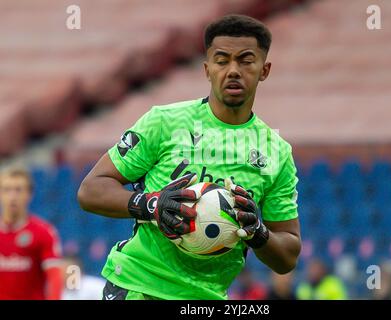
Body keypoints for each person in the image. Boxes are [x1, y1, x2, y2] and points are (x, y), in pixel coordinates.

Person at [78, 14, 301, 300]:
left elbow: (288, 255)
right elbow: (91, 190)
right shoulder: (164, 122)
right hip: (137, 285)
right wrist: (152, 205)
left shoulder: (277, 153)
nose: (233, 70)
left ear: (264, 70)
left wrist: (259, 233)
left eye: (246, 60)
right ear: (207, 69)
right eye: (222, 61)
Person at [0, 168, 63, 300]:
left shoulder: (43, 232)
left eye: (18, 190)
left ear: (29, 194)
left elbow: (55, 277)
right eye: (6, 190)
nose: (12, 196)